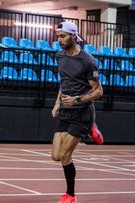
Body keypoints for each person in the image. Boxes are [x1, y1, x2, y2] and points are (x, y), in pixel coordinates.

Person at [51, 21, 103, 203]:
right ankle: (91, 129)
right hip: (66, 110)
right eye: (57, 36)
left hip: (81, 112)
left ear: (73, 36)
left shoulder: (88, 61)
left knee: (65, 156)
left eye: (62, 36)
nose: (59, 40)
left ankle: (70, 195)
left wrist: (77, 99)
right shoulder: (59, 56)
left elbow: (98, 91)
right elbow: (63, 82)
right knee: (55, 156)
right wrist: (57, 103)